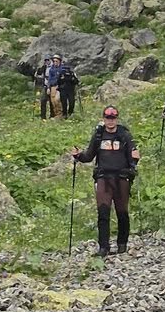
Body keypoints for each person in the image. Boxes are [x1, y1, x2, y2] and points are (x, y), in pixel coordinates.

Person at [70, 104, 140, 258]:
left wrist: (133, 165)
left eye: (113, 118)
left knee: (122, 212)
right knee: (103, 212)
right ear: (104, 119)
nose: (110, 121)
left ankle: (122, 244)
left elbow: (134, 157)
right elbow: (89, 155)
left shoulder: (125, 136)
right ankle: (104, 247)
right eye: (108, 118)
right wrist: (78, 156)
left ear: (117, 119)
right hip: (103, 178)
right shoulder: (98, 135)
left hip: (121, 178)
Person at [38, 53, 66, 119]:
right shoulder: (49, 69)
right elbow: (49, 78)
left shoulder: (61, 68)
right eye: (45, 60)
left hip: (58, 85)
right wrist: (48, 87)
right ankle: (50, 115)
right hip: (50, 86)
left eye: (48, 60)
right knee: (51, 100)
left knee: (56, 100)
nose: (46, 62)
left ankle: (59, 114)